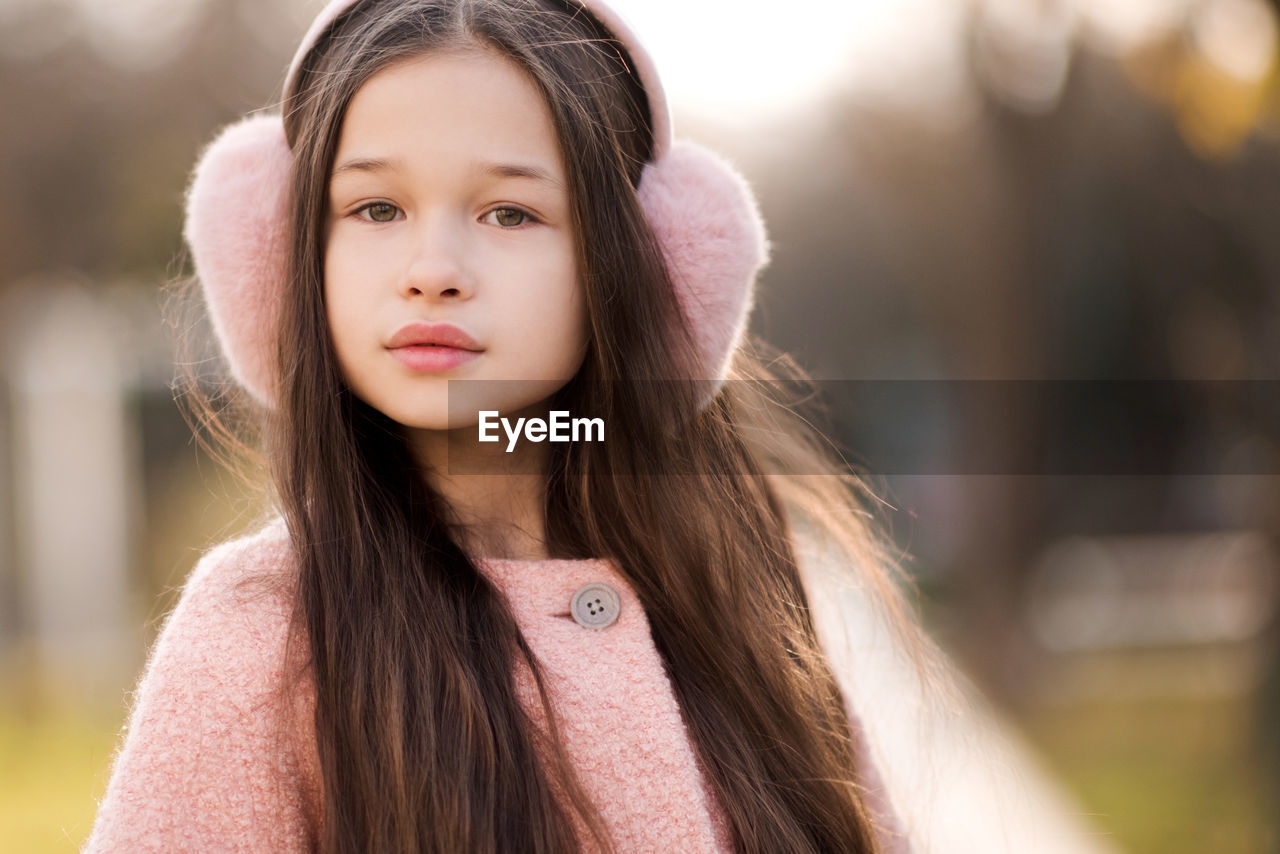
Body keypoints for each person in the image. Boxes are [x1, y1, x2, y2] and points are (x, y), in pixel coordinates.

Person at [84, 0, 958, 851]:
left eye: (511, 213)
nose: (433, 272)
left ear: (644, 260)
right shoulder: (263, 631)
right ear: (286, 256)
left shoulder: (737, 592)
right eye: (376, 209)